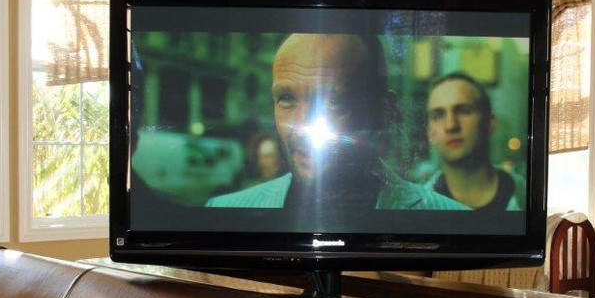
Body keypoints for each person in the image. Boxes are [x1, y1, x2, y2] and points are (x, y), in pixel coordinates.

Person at [207, 34, 468, 213]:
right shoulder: (221, 210)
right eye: (287, 98)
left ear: (384, 111)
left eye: (333, 100)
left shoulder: (453, 220)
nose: (302, 126)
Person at [424, 72, 525, 211]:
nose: (451, 125)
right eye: (438, 115)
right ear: (430, 132)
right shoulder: (419, 207)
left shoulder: (527, 196)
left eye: (464, 111)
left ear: (490, 123)